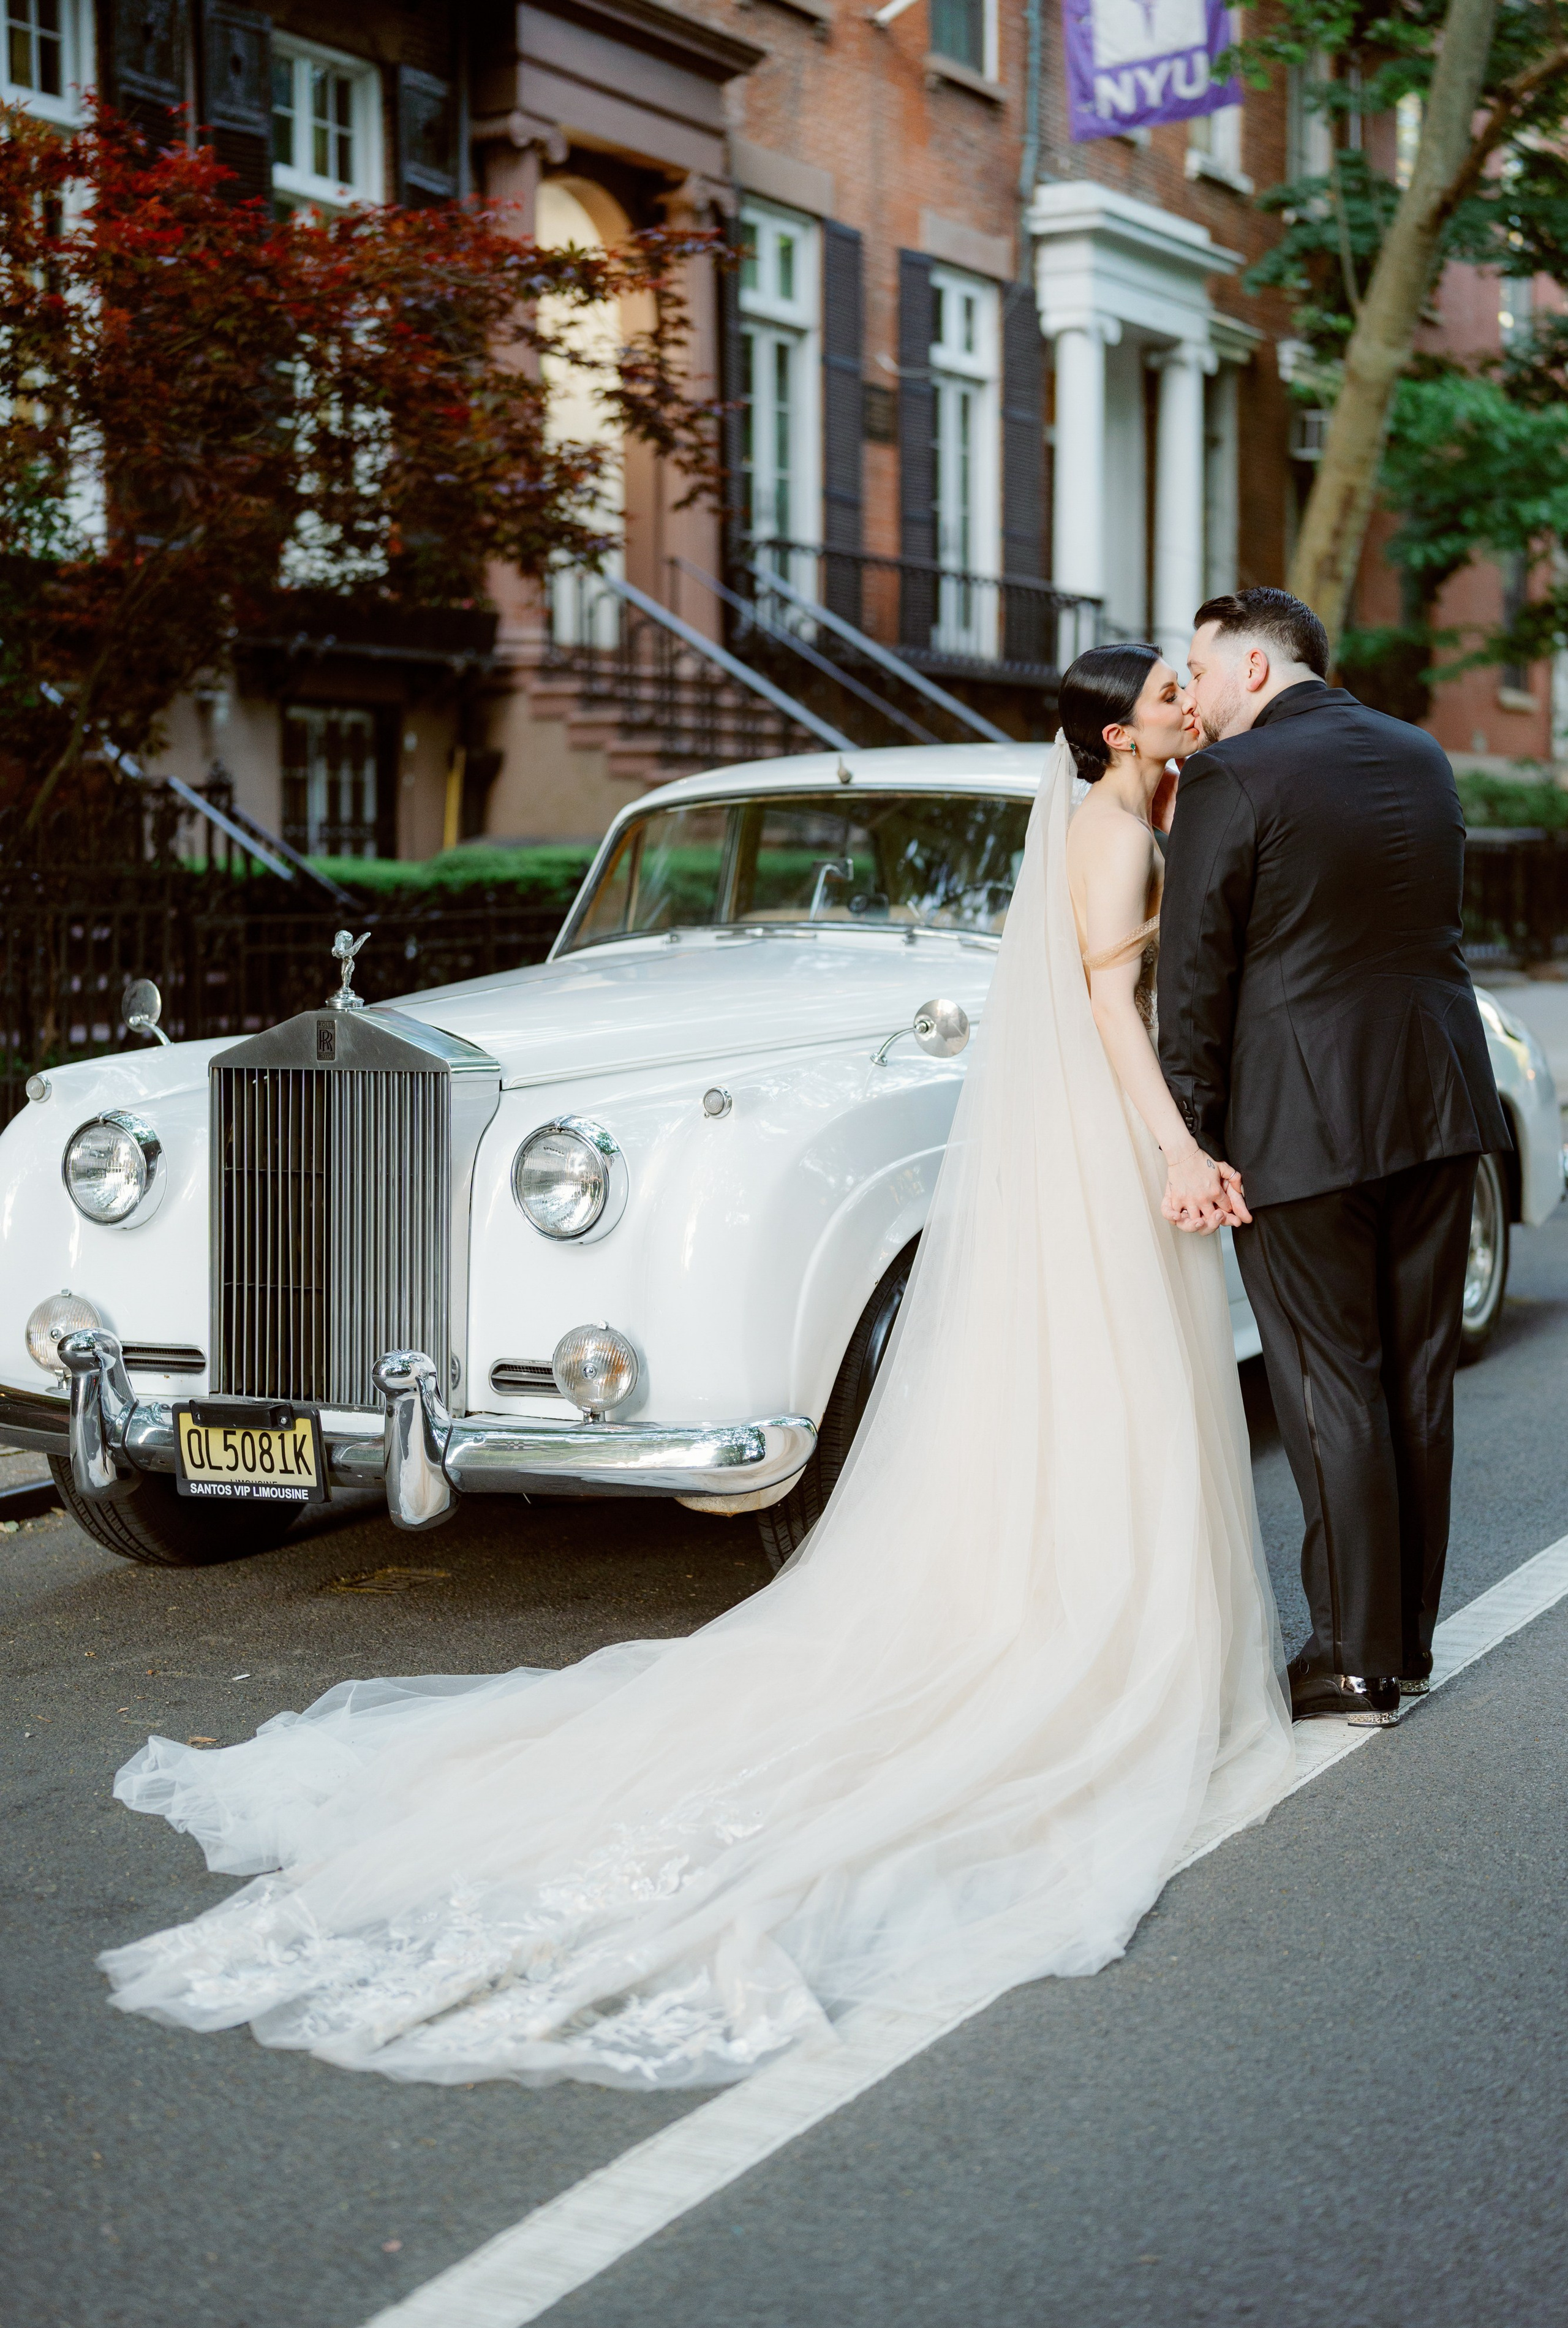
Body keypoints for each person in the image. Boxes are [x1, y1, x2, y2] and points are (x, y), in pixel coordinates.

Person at [99, 649, 1294, 2093]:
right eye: (1167, 685)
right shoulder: (1113, 828)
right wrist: (1174, 1143)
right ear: (1112, 730)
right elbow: (1110, 1005)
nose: (1186, 695)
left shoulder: (1126, 814)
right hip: (1122, 1115)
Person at [1158, 588, 1510, 1729]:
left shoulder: (1232, 776)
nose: (1196, 696)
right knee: (1413, 1375)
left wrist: (1190, 1139)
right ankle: (1402, 1641)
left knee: (1326, 1385)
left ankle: (1351, 1662)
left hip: (1300, 1127)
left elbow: (1198, 969)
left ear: (1257, 671)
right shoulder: (1422, 755)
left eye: (1204, 671)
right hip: (1440, 1101)